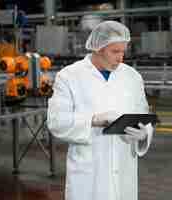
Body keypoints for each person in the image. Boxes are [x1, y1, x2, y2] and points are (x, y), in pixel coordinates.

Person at [47, 20, 154, 200]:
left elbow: (143, 115)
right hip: (89, 174)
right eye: (115, 51)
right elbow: (56, 122)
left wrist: (144, 134)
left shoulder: (132, 77)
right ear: (98, 48)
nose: (121, 58)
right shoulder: (69, 76)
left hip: (124, 168)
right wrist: (94, 120)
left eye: (123, 52)